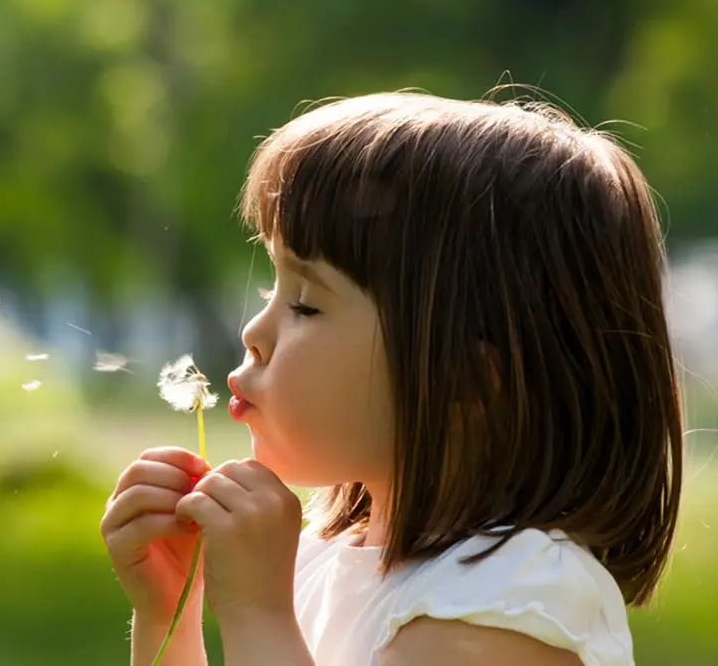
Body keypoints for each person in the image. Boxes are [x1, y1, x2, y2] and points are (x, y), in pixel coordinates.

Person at [100, 91, 683, 666]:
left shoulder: (507, 603)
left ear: (468, 379)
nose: (254, 329)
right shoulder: (317, 563)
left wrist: (256, 612)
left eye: (305, 302)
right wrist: (168, 618)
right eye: (269, 288)